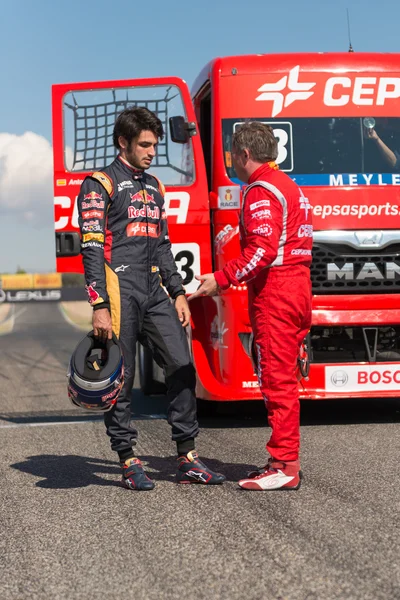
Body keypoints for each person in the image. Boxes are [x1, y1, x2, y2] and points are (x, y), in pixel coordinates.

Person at [77, 106, 225, 490]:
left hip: (155, 290)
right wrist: (99, 305)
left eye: (155, 145)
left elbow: (162, 245)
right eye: (144, 145)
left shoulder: (155, 186)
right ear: (123, 142)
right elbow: (92, 249)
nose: (151, 152)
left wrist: (177, 292)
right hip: (118, 291)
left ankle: (187, 457)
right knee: (119, 380)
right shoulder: (99, 184)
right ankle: (127, 459)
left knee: (181, 363)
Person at [189, 122, 313, 490]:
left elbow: (262, 250)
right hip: (297, 286)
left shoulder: (261, 190)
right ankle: (283, 460)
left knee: (277, 380)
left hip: (278, 290)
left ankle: (284, 465)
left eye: (232, 155)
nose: (233, 162)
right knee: (284, 376)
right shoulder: (290, 186)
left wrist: (220, 278)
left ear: (244, 154)